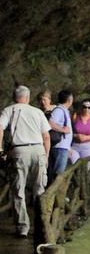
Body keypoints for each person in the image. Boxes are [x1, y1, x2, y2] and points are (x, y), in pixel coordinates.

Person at [0, 86, 51, 237]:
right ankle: (42, 224)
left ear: (14, 97)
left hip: (19, 151)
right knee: (40, 190)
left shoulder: (9, 110)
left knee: (18, 190)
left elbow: (0, 127)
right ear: (28, 98)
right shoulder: (37, 112)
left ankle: (23, 228)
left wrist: (0, 149)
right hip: (38, 150)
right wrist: (46, 157)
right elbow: (46, 137)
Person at [47, 90, 73, 184]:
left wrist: (68, 147)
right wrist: (63, 130)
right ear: (69, 100)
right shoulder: (59, 110)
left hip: (63, 147)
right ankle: (52, 197)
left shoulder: (64, 111)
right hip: (59, 147)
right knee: (58, 175)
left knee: (59, 174)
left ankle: (55, 196)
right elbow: (50, 123)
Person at [69, 98, 90, 168]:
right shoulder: (75, 117)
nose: (86, 110)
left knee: (87, 167)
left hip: (87, 146)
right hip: (74, 145)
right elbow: (69, 131)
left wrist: (86, 137)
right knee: (74, 165)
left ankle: (87, 179)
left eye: (89, 108)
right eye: (84, 107)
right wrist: (76, 136)